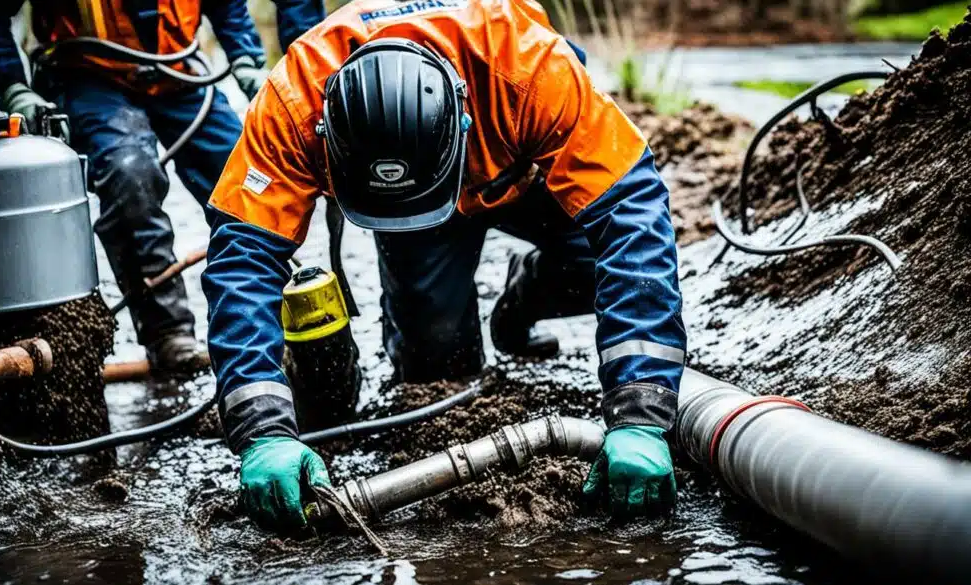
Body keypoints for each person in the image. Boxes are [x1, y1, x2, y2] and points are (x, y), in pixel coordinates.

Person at [203, 0, 686, 529]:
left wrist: (640, 415)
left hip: (522, 169)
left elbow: (632, 214)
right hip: (417, 220)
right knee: (435, 371)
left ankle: (522, 300)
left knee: (599, 266)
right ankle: (432, 309)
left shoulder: (528, 65)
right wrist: (263, 431)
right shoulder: (295, 98)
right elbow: (243, 258)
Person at [0, 0, 269, 375]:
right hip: (87, 78)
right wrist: (14, 86)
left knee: (249, 179)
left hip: (179, 70)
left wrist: (246, 56)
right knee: (129, 176)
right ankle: (168, 335)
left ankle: (266, 316)